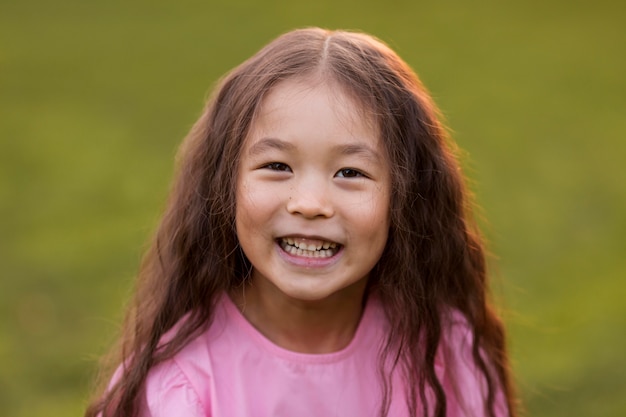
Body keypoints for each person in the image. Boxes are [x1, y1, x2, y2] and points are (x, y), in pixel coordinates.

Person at [85, 27, 517, 417]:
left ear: (405, 199)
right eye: (277, 165)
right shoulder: (180, 390)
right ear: (224, 186)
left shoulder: (445, 355)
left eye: (350, 172)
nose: (310, 204)